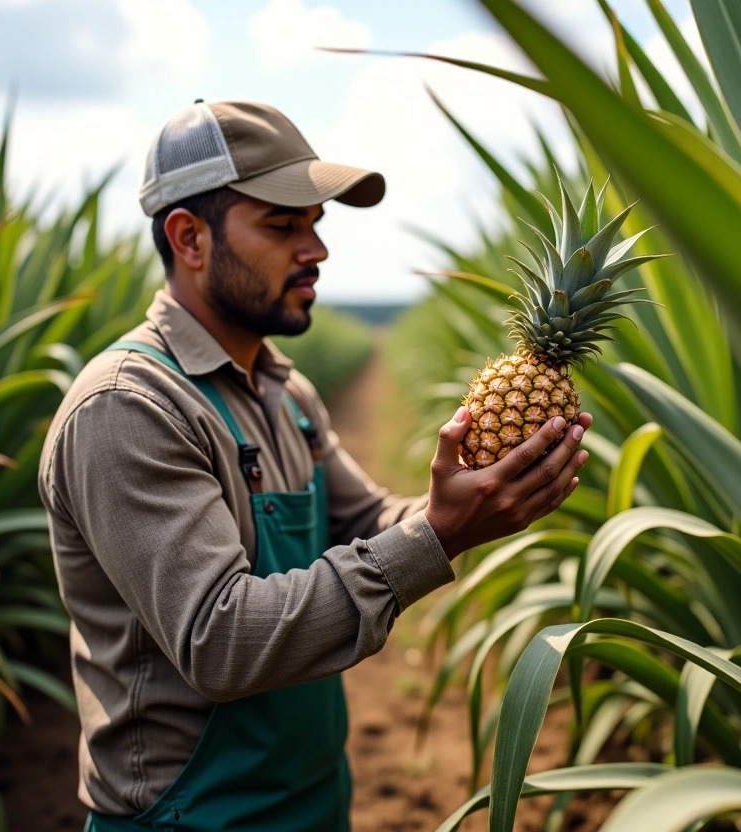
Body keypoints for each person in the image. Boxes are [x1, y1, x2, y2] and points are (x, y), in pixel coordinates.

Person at [37, 100, 591, 831]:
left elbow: (365, 520)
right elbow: (220, 639)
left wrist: (475, 496)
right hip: (188, 818)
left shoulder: (284, 388)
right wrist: (441, 536)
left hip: (312, 799)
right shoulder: (128, 410)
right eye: (283, 224)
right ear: (189, 238)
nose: (318, 249)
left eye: (317, 223)